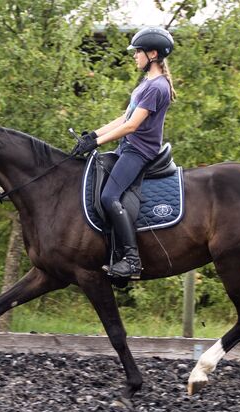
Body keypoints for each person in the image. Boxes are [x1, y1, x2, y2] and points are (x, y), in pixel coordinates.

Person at [76, 27, 175, 279]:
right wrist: (93, 136)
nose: (134, 56)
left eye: (138, 52)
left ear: (152, 54)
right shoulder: (147, 83)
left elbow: (132, 126)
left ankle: (131, 260)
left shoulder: (157, 87)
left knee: (110, 197)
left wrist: (97, 143)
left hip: (140, 152)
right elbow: (125, 116)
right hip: (127, 147)